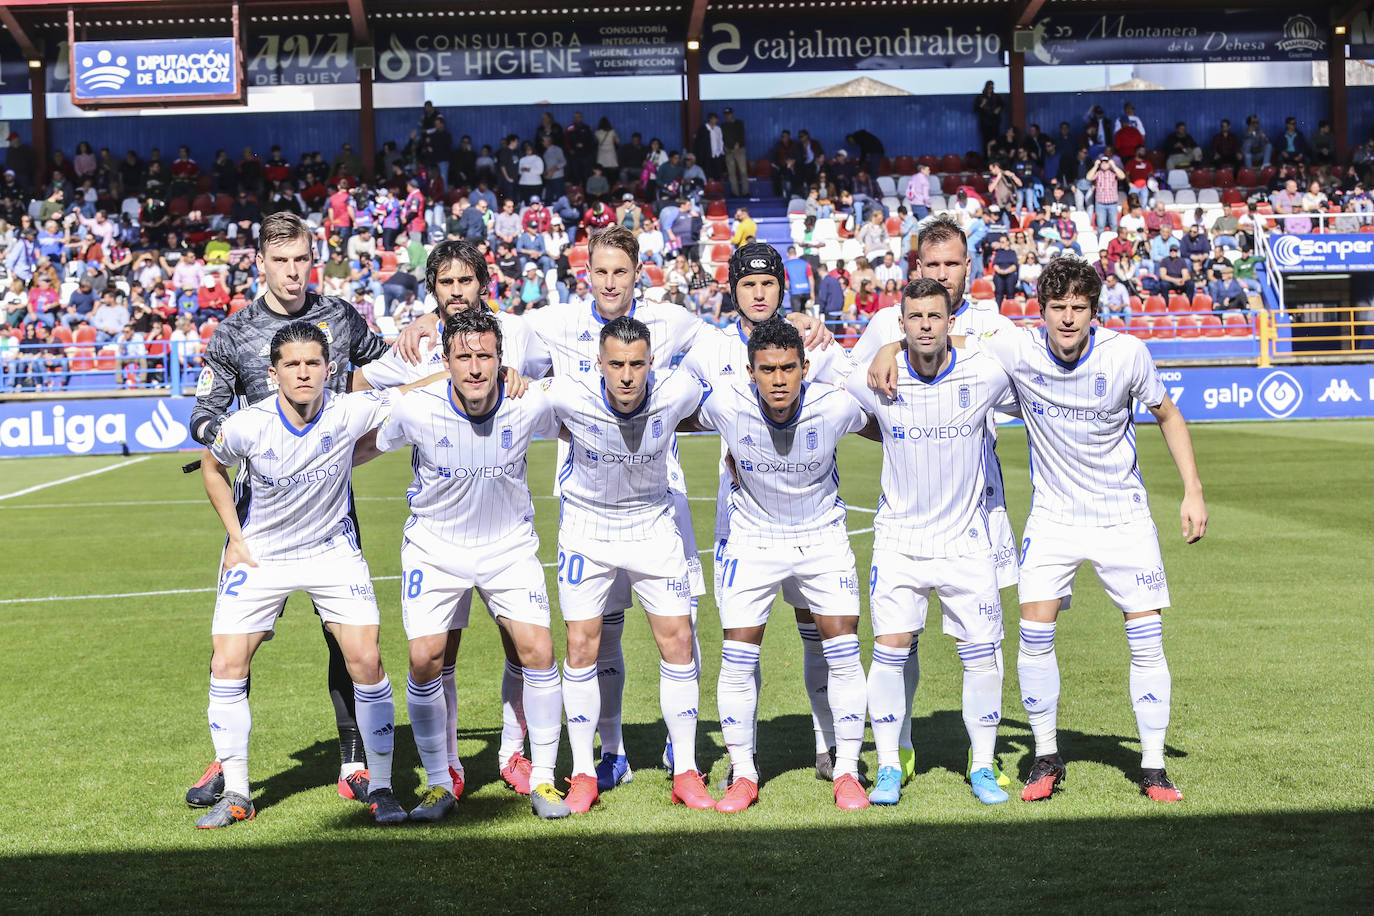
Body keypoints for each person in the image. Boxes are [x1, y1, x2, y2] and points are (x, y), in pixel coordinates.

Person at [869, 257, 1208, 804]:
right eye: (1058, 308)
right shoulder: (1016, 349)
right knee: (1034, 634)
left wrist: (1192, 490)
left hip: (1123, 516)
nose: (1068, 319)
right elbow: (934, 331)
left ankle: (1152, 765)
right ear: (1041, 312)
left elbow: (1167, 415)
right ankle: (1046, 757)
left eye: (1079, 308)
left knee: (1145, 638)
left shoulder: (1127, 355)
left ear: (1094, 312)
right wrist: (888, 346)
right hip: (1053, 517)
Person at [184, 213, 392, 812]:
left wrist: (428, 328)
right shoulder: (235, 332)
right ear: (262, 264)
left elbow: (386, 367)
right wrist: (240, 433)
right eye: (282, 261)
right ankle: (229, 763)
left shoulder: (340, 318)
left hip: (330, 505)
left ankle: (355, 759)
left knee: (349, 641)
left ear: (312, 259)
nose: (294, 272)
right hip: (259, 509)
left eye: (302, 259)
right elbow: (205, 411)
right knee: (233, 644)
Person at [365, 307, 570, 820]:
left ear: (502, 361)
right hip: (435, 549)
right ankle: (439, 783)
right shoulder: (416, 409)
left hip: (508, 546)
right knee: (424, 658)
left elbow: (584, 422)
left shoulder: (528, 403)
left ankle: (543, 780)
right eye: (463, 357)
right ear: (447, 362)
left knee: (537, 649)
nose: (475, 367)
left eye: (485, 356)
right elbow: (363, 444)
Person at [687, 316, 873, 812]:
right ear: (750, 371)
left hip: (822, 538)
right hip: (753, 539)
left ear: (804, 367)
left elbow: (887, 420)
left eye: (788, 368)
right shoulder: (726, 402)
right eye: (767, 369)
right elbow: (665, 409)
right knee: (738, 656)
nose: (778, 379)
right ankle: (744, 773)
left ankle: (849, 772)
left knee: (843, 649)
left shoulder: (834, 406)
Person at [848, 278, 1017, 808]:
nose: (925, 325)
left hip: (967, 543)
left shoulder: (984, 372)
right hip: (899, 540)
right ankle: (891, 766)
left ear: (950, 323)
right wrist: (883, 350)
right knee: (891, 649)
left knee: (982, 654)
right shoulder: (876, 379)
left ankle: (984, 765)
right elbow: (819, 361)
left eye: (934, 317)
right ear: (902, 325)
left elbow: (1034, 364)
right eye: (914, 317)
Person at [536, 315, 717, 813]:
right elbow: (508, 397)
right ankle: (582, 772)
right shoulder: (566, 394)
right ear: (598, 363)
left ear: (652, 362)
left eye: (637, 364)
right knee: (581, 643)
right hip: (587, 530)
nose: (627, 375)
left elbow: (737, 381)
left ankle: (685, 770)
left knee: (679, 638)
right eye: (616, 364)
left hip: (653, 525)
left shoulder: (677, 391)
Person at [1088, 151, 1125, 231]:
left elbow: (1122, 176)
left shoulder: (1113, 173)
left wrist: (1114, 166)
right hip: (1100, 204)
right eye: (1102, 163)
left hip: (1112, 204)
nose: (1104, 164)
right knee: (1101, 226)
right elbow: (1089, 177)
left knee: (1114, 225)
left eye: (1106, 163)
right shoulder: (1098, 173)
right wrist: (1095, 166)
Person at [722, 107, 748, 197]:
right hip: (728, 151)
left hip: (739, 150)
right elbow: (721, 138)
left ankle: (745, 192)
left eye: (729, 114)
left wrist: (738, 144)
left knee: (743, 171)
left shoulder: (739, 123)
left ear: (732, 114)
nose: (727, 116)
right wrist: (724, 147)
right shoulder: (723, 126)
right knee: (731, 173)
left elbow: (742, 135)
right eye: (726, 114)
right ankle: (735, 193)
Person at [974, 81, 1004, 151]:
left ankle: (996, 156)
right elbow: (976, 109)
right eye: (990, 87)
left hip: (995, 122)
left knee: (996, 140)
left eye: (992, 87)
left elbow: (1002, 105)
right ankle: (987, 158)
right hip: (985, 123)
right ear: (986, 87)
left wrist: (998, 109)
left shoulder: (996, 97)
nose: (991, 89)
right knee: (986, 141)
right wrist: (982, 104)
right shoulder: (980, 97)